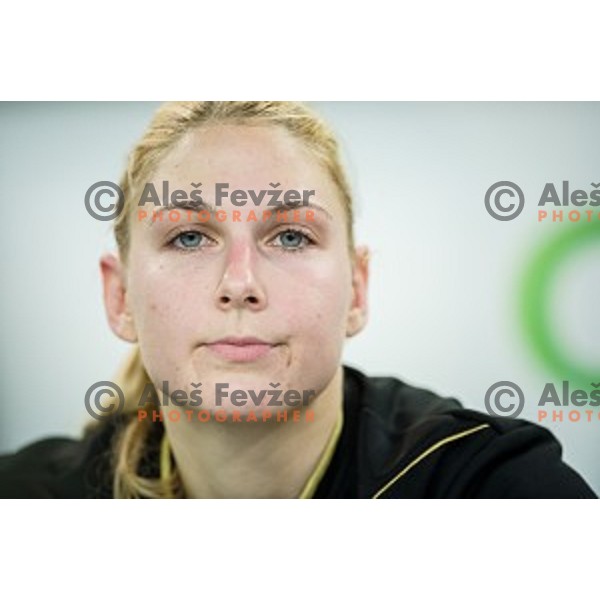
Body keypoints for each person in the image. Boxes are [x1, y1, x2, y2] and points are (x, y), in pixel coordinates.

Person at [0, 101, 596, 499]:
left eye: (290, 235)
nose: (240, 281)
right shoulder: (28, 500)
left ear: (357, 289)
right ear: (120, 296)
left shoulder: (484, 487)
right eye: (188, 237)